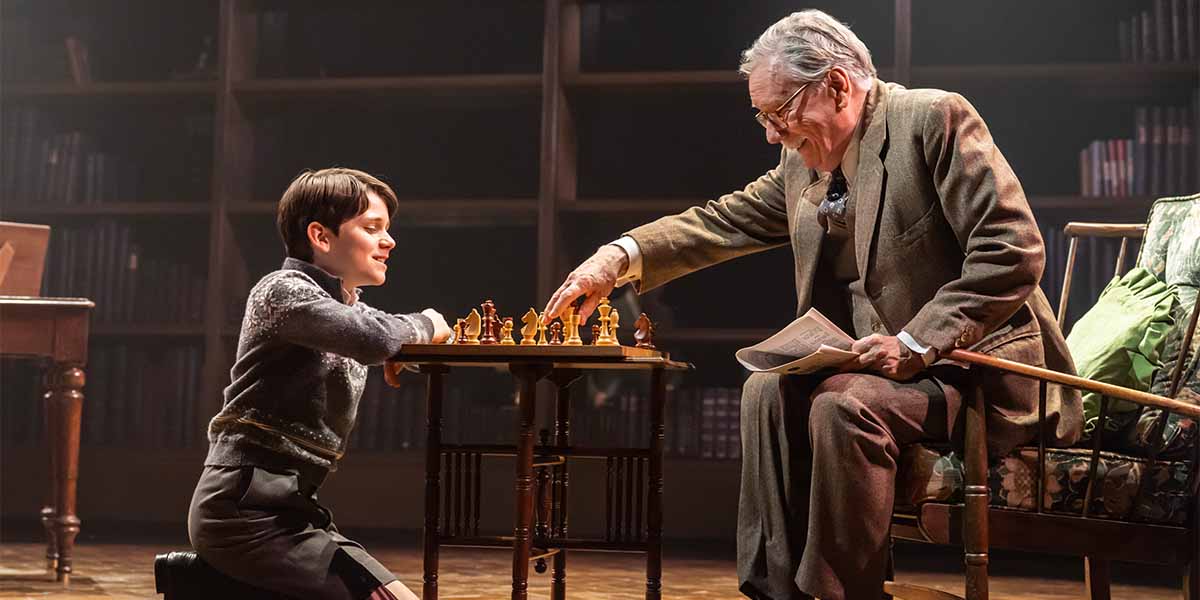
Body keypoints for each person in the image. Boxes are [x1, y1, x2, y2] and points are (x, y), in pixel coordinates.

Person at [541, 10, 1081, 600]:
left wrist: (914, 342)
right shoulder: (804, 164)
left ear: (837, 85)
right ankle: (777, 592)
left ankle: (840, 594)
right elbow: (724, 220)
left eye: (781, 113)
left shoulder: (933, 120)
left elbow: (1014, 250)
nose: (772, 133)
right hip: (877, 368)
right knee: (766, 391)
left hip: (978, 370)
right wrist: (616, 258)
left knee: (842, 407)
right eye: (762, 117)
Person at [188, 168, 453, 600]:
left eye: (387, 229)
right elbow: (374, 337)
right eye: (372, 228)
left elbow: (376, 336)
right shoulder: (282, 291)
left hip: (293, 508)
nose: (389, 241)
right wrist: (425, 323)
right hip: (243, 511)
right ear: (321, 236)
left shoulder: (341, 309)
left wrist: (402, 348)